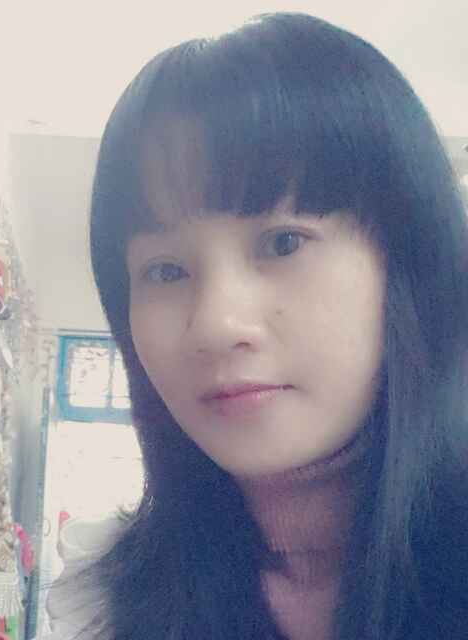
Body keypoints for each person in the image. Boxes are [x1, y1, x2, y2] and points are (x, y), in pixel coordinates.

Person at [46, 12, 468, 640]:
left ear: (408, 264)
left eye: (282, 242)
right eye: (165, 270)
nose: (216, 324)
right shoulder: (105, 601)